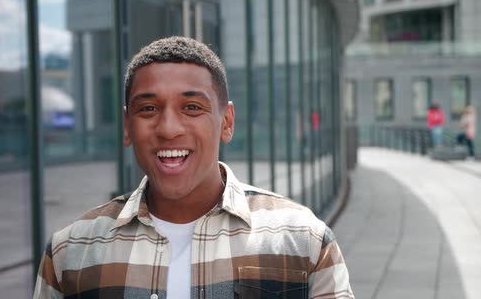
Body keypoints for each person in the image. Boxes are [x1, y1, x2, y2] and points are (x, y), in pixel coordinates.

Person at [33, 36, 354, 299]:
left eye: (191, 107)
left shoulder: (302, 240)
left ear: (226, 122)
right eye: (148, 108)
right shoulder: (71, 253)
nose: (169, 128)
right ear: (127, 127)